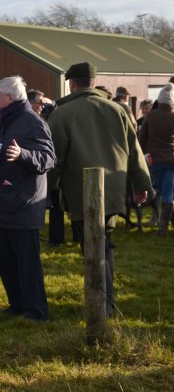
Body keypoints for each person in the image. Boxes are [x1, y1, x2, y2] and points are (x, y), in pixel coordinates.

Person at [48, 62, 152, 317]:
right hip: (113, 191)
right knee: (104, 243)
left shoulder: (62, 113)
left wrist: (47, 191)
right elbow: (134, 151)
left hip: (80, 192)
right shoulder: (117, 109)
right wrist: (142, 186)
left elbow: (54, 158)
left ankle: (101, 303)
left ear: (72, 83)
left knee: (93, 247)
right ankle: (107, 300)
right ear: (93, 82)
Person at [0, 76, 55, 321]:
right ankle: (17, 305)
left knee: (27, 263)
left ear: (10, 97)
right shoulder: (5, 120)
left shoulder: (31, 122)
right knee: (6, 261)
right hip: (4, 201)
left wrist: (23, 154)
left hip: (23, 202)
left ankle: (36, 311)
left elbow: (48, 159)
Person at [28, 89, 64, 246]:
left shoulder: (45, 118)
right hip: (37, 168)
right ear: (30, 103)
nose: (43, 106)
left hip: (50, 166)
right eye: (40, 103)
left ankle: (55, 238)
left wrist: (52, 105)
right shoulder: (30, 121)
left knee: (55, 203)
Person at [138, 83, 174, 236]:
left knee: (161, 191)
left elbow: (141, 138)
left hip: (153, 161)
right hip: (171, 161)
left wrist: (141, 155)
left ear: (159, 101)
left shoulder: (150, 116)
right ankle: (164, 226)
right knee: (168, 193)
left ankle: (163, 226)